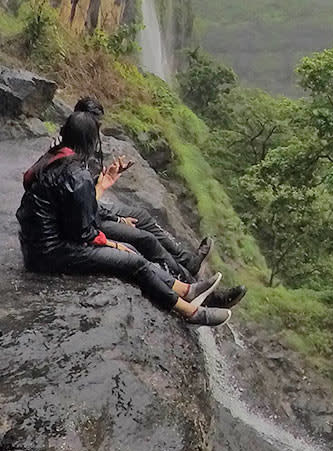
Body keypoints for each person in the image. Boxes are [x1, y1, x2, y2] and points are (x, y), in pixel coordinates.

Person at [17, 112, 243, 326]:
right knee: (132, 260)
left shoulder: (56, 157)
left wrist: (103, 188)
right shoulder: (76, 174)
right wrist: (113, 243)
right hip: (48, 254)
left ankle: (185, 289)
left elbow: (73, 216)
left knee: (132, 251)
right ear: (89, 140)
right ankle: (190, 312)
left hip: (38, 245)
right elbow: (83, 232)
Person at [73, 97, 211, 280]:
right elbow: (79, 204)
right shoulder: (72, 156)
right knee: (145, 240)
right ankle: (186, 281)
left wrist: (105, 177)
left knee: (142, 216)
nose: (97, 130)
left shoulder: (82, 144)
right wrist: (119, 219)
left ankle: (187, 262)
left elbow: (87, 190)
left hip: (91, 206)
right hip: (84, 218)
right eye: (95, 125)